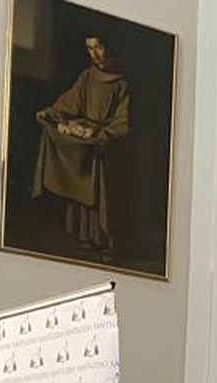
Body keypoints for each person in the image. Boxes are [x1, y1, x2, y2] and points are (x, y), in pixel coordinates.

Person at [33, 35, 131, 259]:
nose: (94, 54)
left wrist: (102, 135)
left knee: (101, 192)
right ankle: (87, 238)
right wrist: (51, 113)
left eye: (99, 47)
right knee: (80, 173)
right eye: (89, 48)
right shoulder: (87, 76)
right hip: (87, 138)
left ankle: (106, 242)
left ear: (109, 47)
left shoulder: (122, 84)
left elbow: (122, 123)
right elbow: (70, 102)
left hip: (106, 146)